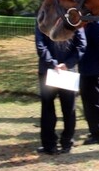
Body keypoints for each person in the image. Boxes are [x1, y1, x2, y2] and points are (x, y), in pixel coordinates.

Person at [35, 22, 86, 155]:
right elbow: (81, 44)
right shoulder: (73, 18)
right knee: (66, 108)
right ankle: (65, 143)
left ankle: (52, 144)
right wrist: (66, 64)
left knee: (50, 108)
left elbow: (40, 45)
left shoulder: (44, 17)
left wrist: (54, 64)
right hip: (61, 70)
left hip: (51, 70)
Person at [78, 20, 99, 145]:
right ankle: (95, 131)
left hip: (94, 69)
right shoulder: (97, 22)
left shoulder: (96, 23)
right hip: (88, 68)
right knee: (90, 103)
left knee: (95, 103)